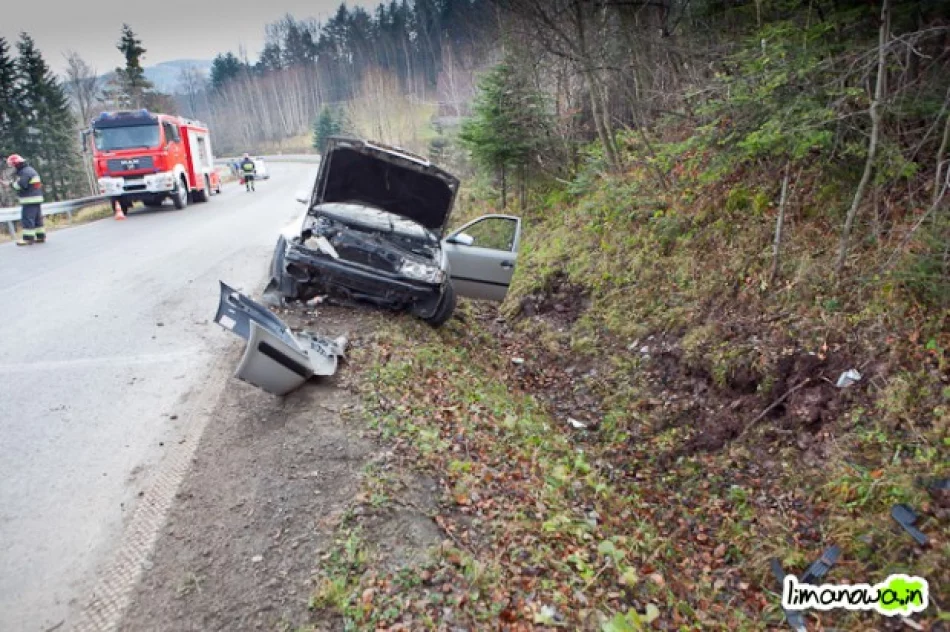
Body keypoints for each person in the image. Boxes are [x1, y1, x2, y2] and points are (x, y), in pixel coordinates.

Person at [5, 154, 46, 246]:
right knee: (37, 219)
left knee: (27, 219)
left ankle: (28, 239)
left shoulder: (24, 172)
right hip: (36, 198)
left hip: (29, 199)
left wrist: (10, 184)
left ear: (17, 164)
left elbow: (21, 185)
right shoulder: (30, 170)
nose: (12, 168)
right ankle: (40, 236)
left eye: (12, 165)